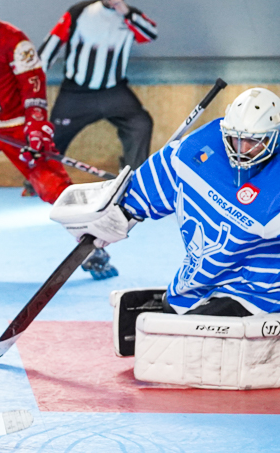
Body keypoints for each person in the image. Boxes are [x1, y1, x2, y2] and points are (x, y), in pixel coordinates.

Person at [0, 0, 118, 280]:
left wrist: (37, 128)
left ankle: (91, 247)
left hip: (17, 128)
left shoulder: (14, 40)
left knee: (53, 187)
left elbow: (33, 86)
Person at [51, 88, 280, 320]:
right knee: (175, 308)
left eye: (254, 141)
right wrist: (117, 214)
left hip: (262, 291)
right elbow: (156, 178)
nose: (243, 149)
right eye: (236, 138)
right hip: (200, 280)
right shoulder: (196, 149)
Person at [38, 0, 157, 171]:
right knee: (53, 137)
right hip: (76, 93)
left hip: (113, 91)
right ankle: (38, 183)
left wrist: (127, 14)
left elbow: (150, 34)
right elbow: (51, 45)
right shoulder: (80, 12)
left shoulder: (131, 17)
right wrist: (35, 80)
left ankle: (132, 177)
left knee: (141, 124)